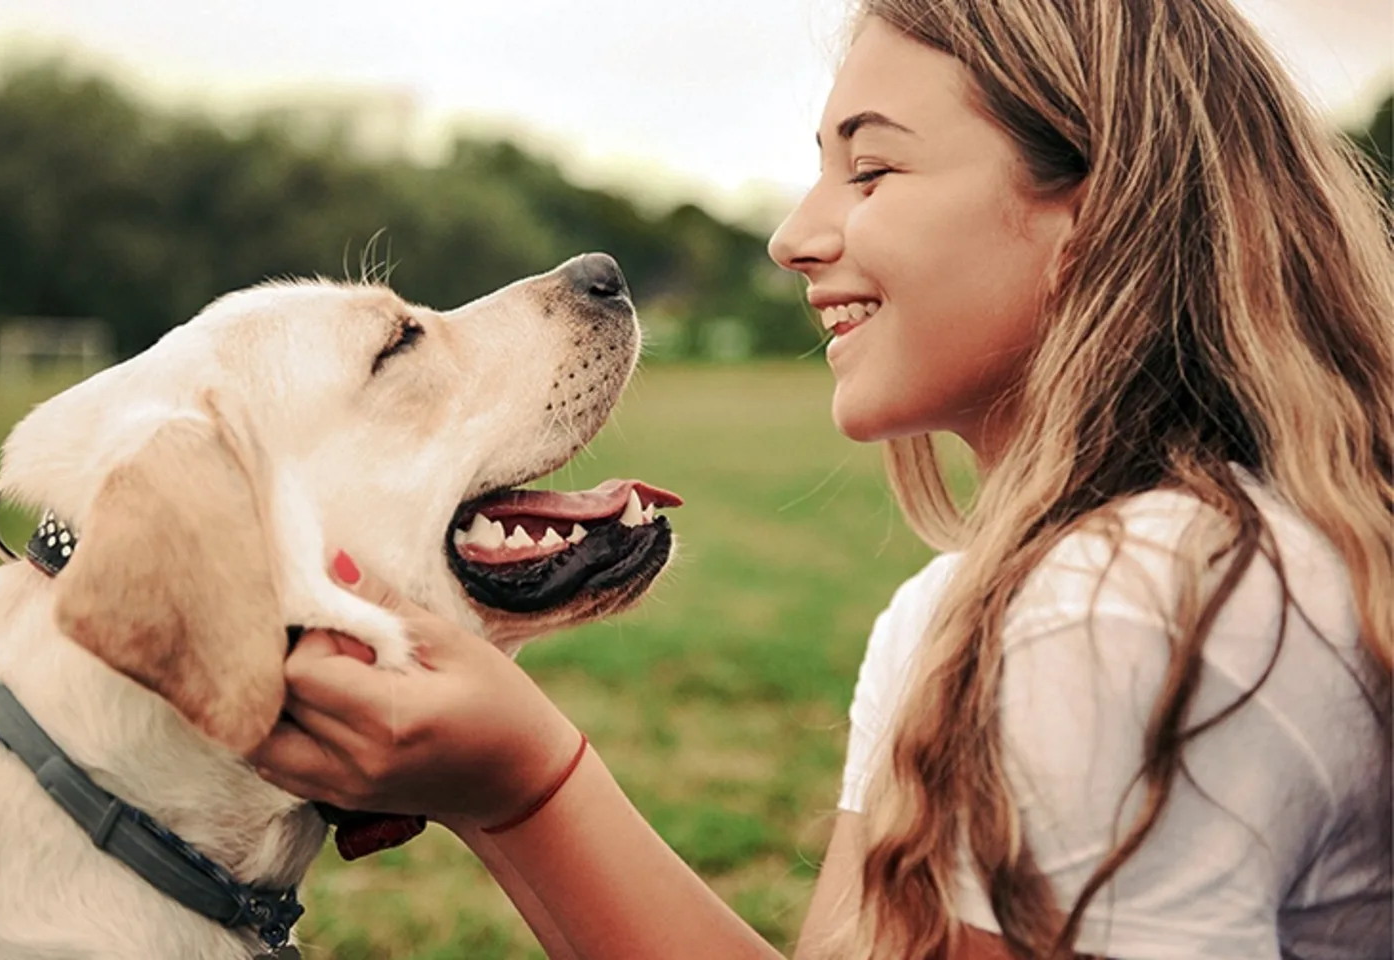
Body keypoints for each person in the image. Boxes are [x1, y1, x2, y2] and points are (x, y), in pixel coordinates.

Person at [249, 0, 1394, 956]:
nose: (794, 236)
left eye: (871, 169)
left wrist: (528, 785)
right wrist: (505, 791)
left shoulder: (1123, 603)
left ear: (1096, 212)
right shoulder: (954, 614)